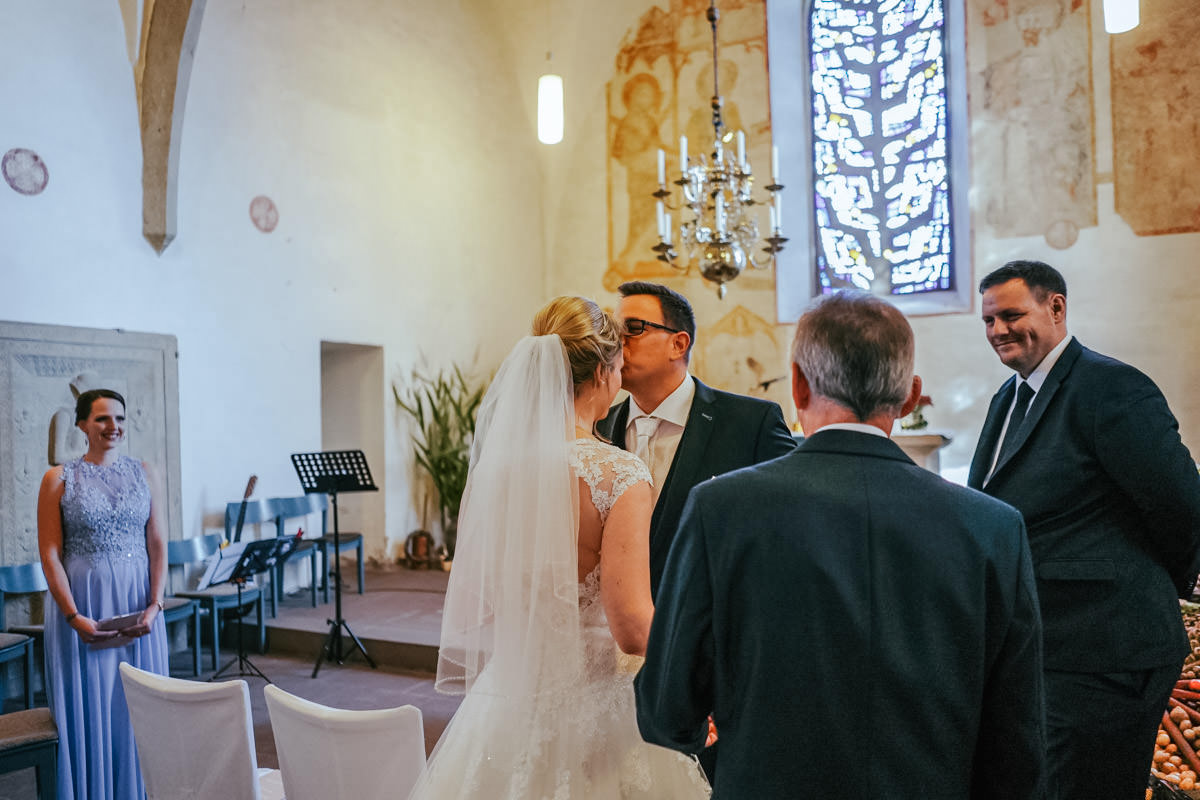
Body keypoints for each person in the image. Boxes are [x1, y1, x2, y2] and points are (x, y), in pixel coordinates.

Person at [635, 290, 1047, 799]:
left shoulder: (721, 508)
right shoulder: (993, 527)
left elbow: (665, 711)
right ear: (910, 395)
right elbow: (1019, 739)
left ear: (799, 386)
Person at [407, 297, 709, 799]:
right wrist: (698, 669)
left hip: (507, 699)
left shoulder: (496, 471)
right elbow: (633, 629)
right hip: (597, 709)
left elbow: (483, 601)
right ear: (604, 375)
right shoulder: (620, 474)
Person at [967, 260, 1200, 800]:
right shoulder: (1009, 398)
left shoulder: (1110, 387)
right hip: (1046, 647)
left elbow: (1181, 503)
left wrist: (1149, 583)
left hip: (1108, 648)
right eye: (988, 321)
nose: (998, 330)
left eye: (1010, 314)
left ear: (1056, 307)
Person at [597, 281, 796, 600]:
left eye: (633, 328)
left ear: (678, 344)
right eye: (611, 330)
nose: (615, 343)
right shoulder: (597, 426)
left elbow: (790, 526)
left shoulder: (751, 423)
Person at [36, 388, 169, 800]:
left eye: (120, 419)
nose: (114, 427)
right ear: (81, 425)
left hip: (139, 603)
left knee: (139, 706)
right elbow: (50, 553)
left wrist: (155, 604)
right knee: (91, 706)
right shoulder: (58, 478)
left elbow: (158, 543)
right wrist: (73, 615)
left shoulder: (146, 472)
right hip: (84, 603)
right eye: (102, 419)